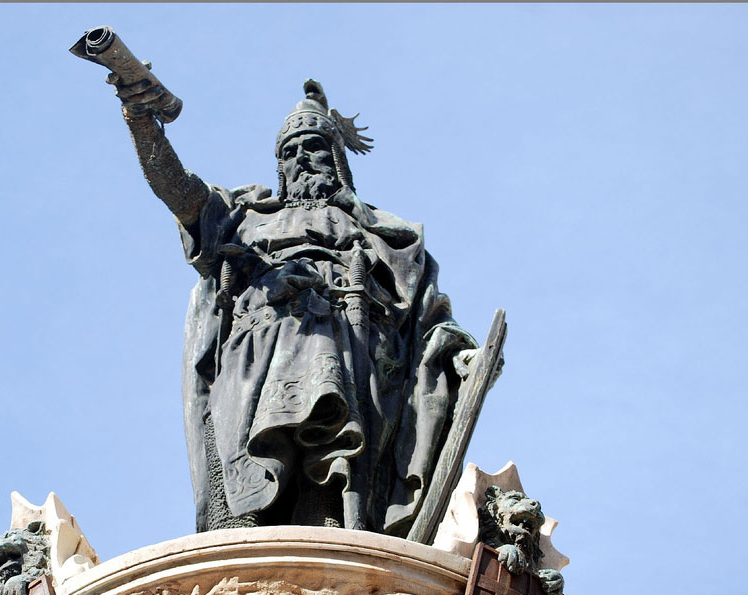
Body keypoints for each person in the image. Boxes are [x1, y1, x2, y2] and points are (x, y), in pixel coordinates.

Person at [109, 74, 480, 536]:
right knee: (245, 469)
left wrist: (460, 356)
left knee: (330, 454)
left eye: (315, 147)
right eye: (289, 152)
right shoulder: (244, 216)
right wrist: (140, 117)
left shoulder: (389, 234)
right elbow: (178, 191)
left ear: (338, 160)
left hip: (351, 346)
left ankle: (324, 542)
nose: (302, 159)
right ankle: (238, 551)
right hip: (255, 349)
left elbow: (428, 316)